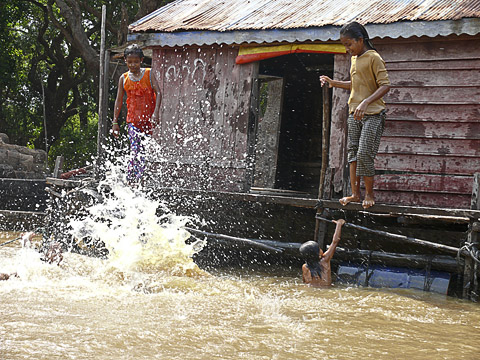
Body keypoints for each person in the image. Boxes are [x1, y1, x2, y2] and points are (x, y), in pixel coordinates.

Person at [320, 22, 391, 209]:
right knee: (353, 154)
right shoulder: (354, 59)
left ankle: (369, 194)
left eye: (349, 44)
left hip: (373, 114)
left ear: (360, 40)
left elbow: (385, 85)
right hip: (354, 114)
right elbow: (356, 85)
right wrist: (332, 82)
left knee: (364, 153)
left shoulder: (374, 57)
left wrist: (366, 102)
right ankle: (354, 194)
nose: (347, 49)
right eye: (344, 45)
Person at [112, 44, 162, 183]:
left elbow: (158, 93)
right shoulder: (124, 78)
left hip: (148, 121)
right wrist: (115, 122)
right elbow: (118, 100)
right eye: (130, 62)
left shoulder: (148, 74)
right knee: (135, 149)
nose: (133, 65)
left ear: (141, 60)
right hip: (132, 121)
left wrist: (156, 113)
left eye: (136, 61)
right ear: (125, 61)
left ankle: (140, 179)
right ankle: (130, 179)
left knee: (143, 152)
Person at [300, 219, 345, 287]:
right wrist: (339, 224)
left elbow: (305, 282)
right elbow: (335, 241)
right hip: (326, 290)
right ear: (318, 254)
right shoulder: (325, 260)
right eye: (319, 248)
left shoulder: (305, 267)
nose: (321, 249)